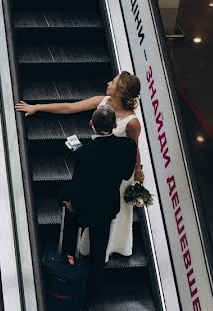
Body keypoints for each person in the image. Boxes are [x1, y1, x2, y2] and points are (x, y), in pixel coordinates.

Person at [16, 71, 143, 260]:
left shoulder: (132, 122)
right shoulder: (103, 101)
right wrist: (37, 107)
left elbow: (134, 148)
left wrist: (138, 171)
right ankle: (95, 248)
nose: (108, 81)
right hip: (97, 167)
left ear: (119, 93)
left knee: (114, 211)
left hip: (116, 174)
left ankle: (112, 246)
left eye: (113, 82)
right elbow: (69, 107)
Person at [58, 105, 136, 306]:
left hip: (84, 206)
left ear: (92, 124)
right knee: (99, 249)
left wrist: (72, 204)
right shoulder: (127, 146)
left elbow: (78, 184)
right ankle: (93, 292)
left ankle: (66, 269)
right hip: (108, 205)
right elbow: (127, 174)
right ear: (115, 124)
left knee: (70, 232)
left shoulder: (85, 153)